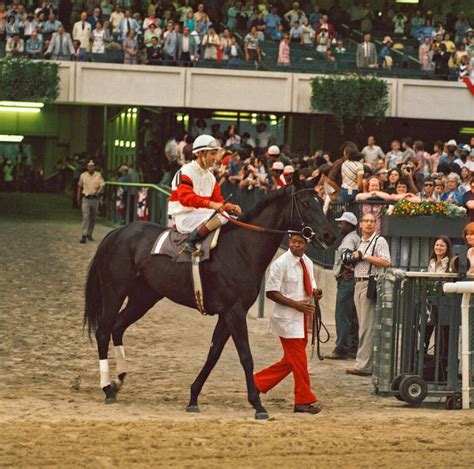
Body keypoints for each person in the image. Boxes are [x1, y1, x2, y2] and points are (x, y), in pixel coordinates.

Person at [253, 232, 322, 414]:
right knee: (299, 362)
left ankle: (256, 383)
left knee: (291, 362)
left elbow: (311, 285)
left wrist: (316, 293)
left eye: (300, 242)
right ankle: (303, 401)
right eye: (293, 241)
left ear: (306, 245)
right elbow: (271, 292)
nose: (296, 245)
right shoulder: (280, 264)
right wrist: (296, 305)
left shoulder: (307, 262)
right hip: (287, 321)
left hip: (302, 319)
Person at [168, 135, 242, 253]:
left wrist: (231, 207)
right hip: (183, 217)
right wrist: (211, 204)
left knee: (232, 218)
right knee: (220, 217)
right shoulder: (185, 172)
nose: (215, 158)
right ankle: (190, 241)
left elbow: (218, 202)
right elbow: (186, 199)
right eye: (212, 154)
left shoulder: (211, 177)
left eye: (215, 154)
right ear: (200, 153)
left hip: (201, 216)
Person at [346, 213, 390, 376]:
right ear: (361, 224)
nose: (369, 224)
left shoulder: (379, 241)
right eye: (366, 221)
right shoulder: (361, 242)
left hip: (369, 283)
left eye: (372, 221)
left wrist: (364, 256)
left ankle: (364, 365)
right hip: (358, 282)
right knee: (362, 325)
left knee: (367, 326)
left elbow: (386, 261)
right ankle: (364, 362)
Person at [325, 212, 360, 360]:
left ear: (349, 225)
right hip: (352, 281)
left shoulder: (349, 240)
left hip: (346, 281)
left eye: (342, 223)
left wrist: (347, 270)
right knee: (352, 316)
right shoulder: (355, 238)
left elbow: (348, 257)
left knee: (342, 315)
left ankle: (341, 348)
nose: (339, 226)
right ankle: (352, 347)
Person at [77, 160, 105, 244]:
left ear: (94, 167)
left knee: (93, 217)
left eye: (92, 166)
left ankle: (89, 233)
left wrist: (99, 191)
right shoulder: (83, 176)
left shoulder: (98, 175)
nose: (91, 167)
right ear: (87, 167)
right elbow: (79, 187)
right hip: (86, 198)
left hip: (95, 199)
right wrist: (78, 198)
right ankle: (84, 234)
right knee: (85, 217)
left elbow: (102, 185)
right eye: (89, 166)